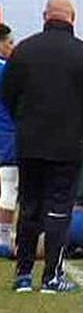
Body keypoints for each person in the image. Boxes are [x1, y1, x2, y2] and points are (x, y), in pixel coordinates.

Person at [2, 0, 83, 293]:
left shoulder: (23, 51)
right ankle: (52, 275)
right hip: (68, 143)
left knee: (30, 206)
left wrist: (25, 121)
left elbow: (8, 94)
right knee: (59, 208)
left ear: (44, 16)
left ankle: (23, 273)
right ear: (72, 19)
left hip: (30, 142)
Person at [0, 23, 16, 258]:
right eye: (10, 43)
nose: (12, 47)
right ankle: (3, 238)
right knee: (9, 186)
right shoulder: (6, 70)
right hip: (7, 134)